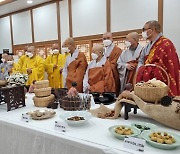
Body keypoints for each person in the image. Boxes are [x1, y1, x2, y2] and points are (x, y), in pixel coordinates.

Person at [137, 20, 180, 96]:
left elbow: (161, 66)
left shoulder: (165, 44)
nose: (143, 32)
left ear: (153, 30)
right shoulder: (148, 46)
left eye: (144, 29)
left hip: (161, 83)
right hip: (149, 82)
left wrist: (145, 70)